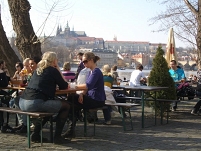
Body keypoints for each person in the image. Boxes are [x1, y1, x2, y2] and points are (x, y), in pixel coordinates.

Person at [19, 51, 70, 144]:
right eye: (56, 59)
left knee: (47, 109)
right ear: (54, 60)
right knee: (66, 106)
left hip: (22, 102)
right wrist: (58, 68)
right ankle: (57, 137)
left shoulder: (38, 70)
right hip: (34, 103)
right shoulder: (52, 70)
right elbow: (64, 86)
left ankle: (35, 134)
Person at [62, 52, 106, 139]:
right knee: (72, 103)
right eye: (83, 62)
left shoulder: (96, 72)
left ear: (91, 60)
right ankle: (71, 127)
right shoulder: (91, 72)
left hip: (97, 100)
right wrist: (82, 94)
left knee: (71, 100)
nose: (83, 63)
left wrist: (72, 86)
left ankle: (71, 127)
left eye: (85, 61)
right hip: (92, 98)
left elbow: (88, 85)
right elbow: (87, 87)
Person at [12, 57, 41, 133]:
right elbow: (21, 84)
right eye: (24, 66)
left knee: (22, 100)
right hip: (28, 95)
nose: (25, 67)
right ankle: (23, 123)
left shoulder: (36, 74)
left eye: (27, 66)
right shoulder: (29, 75)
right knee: (16, 99)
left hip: (35, 98)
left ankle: (25, 125)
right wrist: (21, 76)